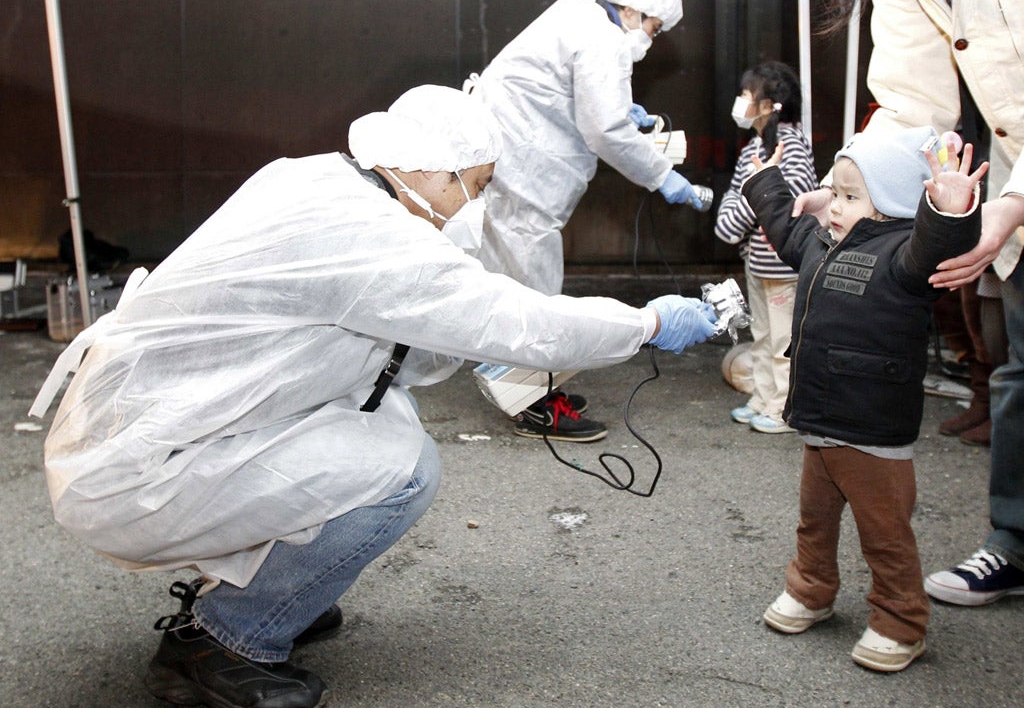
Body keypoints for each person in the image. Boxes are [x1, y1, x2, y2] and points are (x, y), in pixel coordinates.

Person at [28, 85, 719, 708]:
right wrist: (648, 323)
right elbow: (522, 324)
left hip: (133, 425)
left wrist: (473, 333)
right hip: (139, 469)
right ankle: (221, 643)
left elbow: (395, 348)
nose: (474, 206)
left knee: (384, 415)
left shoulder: (315, 179)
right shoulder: (378, 239)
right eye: (475, 186)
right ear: (429, 172)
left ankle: (277, 592)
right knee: (403, 471)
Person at [814, 0, 1024, 608]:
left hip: (1016, 189)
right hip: (1012, 178)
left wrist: (1011, 206)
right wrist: (848, 183)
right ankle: (1015, 541)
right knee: (1020, 367)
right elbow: (910, 104)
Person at [745, 127, 986, 672]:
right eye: (835, 190)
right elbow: (785, 228)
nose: (833, 205)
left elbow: (940, 243)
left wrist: (949, 209)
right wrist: (764, 181)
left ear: (895, 202)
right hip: (818, 422)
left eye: (851, 196)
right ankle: (810, 591)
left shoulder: (905, 256)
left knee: (885, 535)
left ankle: (900, 623)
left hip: (873, 431)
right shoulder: (821, 240)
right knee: (814, 521)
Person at [463, 0, 712, 442]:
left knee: (511, 289)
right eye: (654, 29)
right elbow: (605, 129)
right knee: (534, 295)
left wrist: (620, 108)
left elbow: (568, 97)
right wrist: (664, 177)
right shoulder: (604, 39)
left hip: (507, 167)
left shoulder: (574, 15)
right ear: (633, 11)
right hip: (525, 180)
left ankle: (531, 387)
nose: (651, 41)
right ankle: (534, 405)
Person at [714, 61, 818, 434]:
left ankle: (783, 408)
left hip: (781, 263)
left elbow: (786, 201)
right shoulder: (757, 145)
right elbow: (742, 200)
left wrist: (732, 221)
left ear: (770, 104)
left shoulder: (788, 146)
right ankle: (763, 396)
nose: (740, 102)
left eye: (747, 95)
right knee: (764, 334)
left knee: (783, 340)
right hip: (759, 260)